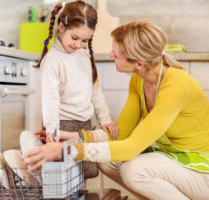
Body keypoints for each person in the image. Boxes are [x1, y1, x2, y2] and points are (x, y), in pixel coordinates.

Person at [23, 20, 209, 200]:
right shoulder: (139, 79)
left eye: (116, 53)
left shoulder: (176, 86)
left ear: (139, 63)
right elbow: (120, 135)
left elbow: (131, 148)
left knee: (134, 170)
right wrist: (72, 136)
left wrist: (64, 150)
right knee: (107, 161)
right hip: (179, 161)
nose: (111, 55)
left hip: (202, 170)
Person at [34, 1, 118, 178]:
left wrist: (106, 120)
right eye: (75, 38)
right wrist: (52, 130)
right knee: (66, 176)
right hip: (63, 124)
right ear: (62, 26)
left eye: (85, 40)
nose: (79, 44)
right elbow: (50, 100)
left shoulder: (83, 56)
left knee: (86, 172)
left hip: (85, 125)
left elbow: (95, 91)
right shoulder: (52, 61)